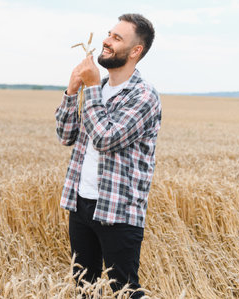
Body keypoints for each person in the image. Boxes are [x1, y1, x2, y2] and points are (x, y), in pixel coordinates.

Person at [55, 13, 161, 298]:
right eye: (109, 34)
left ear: (136, 51)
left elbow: (104, 139)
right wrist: (71, 90)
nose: (106, 40)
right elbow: (65, 136)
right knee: (85, 289)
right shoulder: (98, 89)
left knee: (124, 291)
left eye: (117, 38)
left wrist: (89, 89)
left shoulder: (143, 96)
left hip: (119, 211)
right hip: (81, 204)